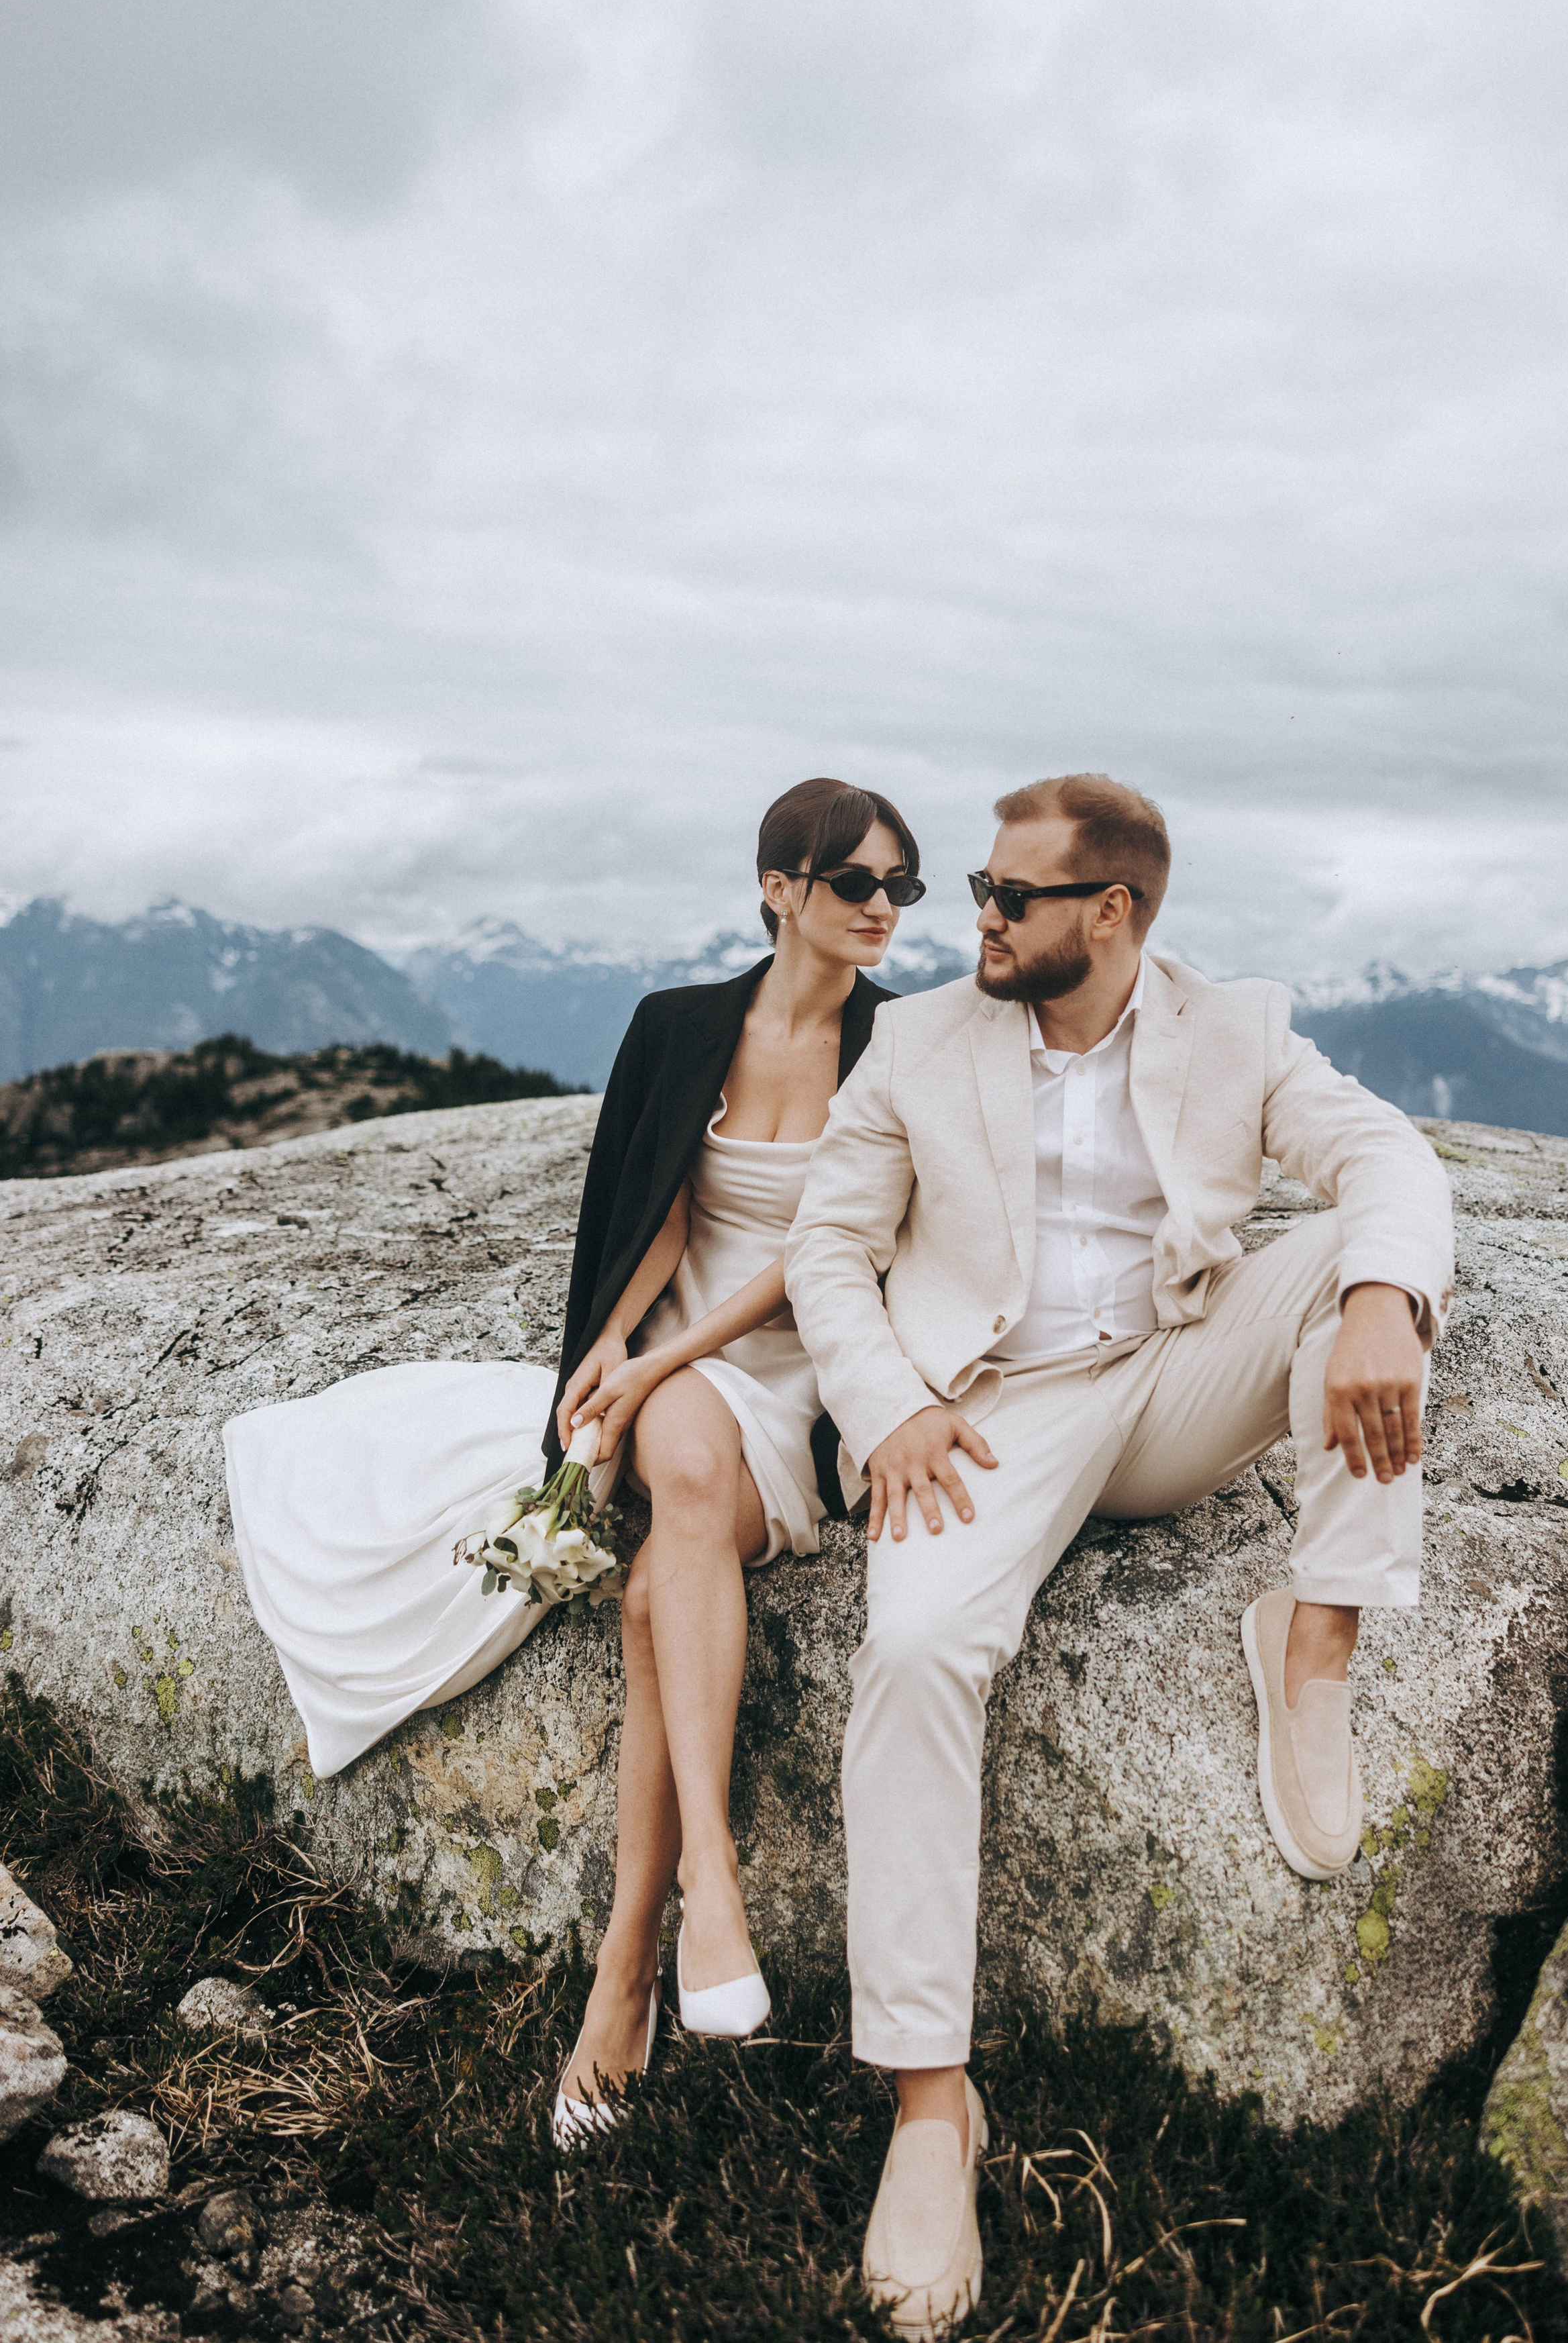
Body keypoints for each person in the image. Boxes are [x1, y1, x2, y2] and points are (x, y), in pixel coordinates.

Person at [784, 772, 1455, 2337]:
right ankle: (930, 2107)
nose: (975, 918)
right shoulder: (921, 1036)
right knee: (913, 1651)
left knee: (1380, 1280)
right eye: (977, 889)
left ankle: (1315, 1639)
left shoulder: (1236, 1024)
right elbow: (826, 1240)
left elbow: (1387, 1160)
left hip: (1167, 1373)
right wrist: (883, 1404)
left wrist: (1374, 1299)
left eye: (1008, 897)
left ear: (1112, 912)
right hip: (991, 1408)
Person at [540, 777, 925, 2139]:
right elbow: (658, 1197)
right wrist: (620, 1344)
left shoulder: (903, 1044)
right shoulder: (677, 1024)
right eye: (854, 883)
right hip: (682, 1363)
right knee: (687, 1471)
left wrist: (654, 1360)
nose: (882, 908)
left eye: (900, 886)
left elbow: (826, 1255)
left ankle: (629, 1953)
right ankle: (707, 1877)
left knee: (662, 1582)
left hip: (806, 1358)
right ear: (779, 888)